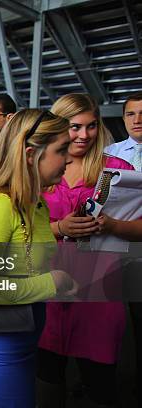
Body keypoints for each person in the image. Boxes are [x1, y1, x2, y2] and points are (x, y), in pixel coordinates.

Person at [0, 109, 78, 408]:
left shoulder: (34, 203)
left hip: (23, 339)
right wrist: (51, 283)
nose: (68, 158)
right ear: (30, 154)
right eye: (61, 149)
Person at [34, 93, 135, 407]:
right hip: (47, 285)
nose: (85, 135)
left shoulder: (117, 169)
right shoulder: (40, 167)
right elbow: (18, 228)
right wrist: (59, 228)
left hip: (100, 290)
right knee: (47, 377)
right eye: (75, 127)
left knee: (100, 380)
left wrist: (112, 226)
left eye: (92, 126)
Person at [104, 91, 142, 402]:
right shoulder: (109, 154)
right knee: (113, 319)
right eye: (131, 114)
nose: (137, 120)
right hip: (113, 245)